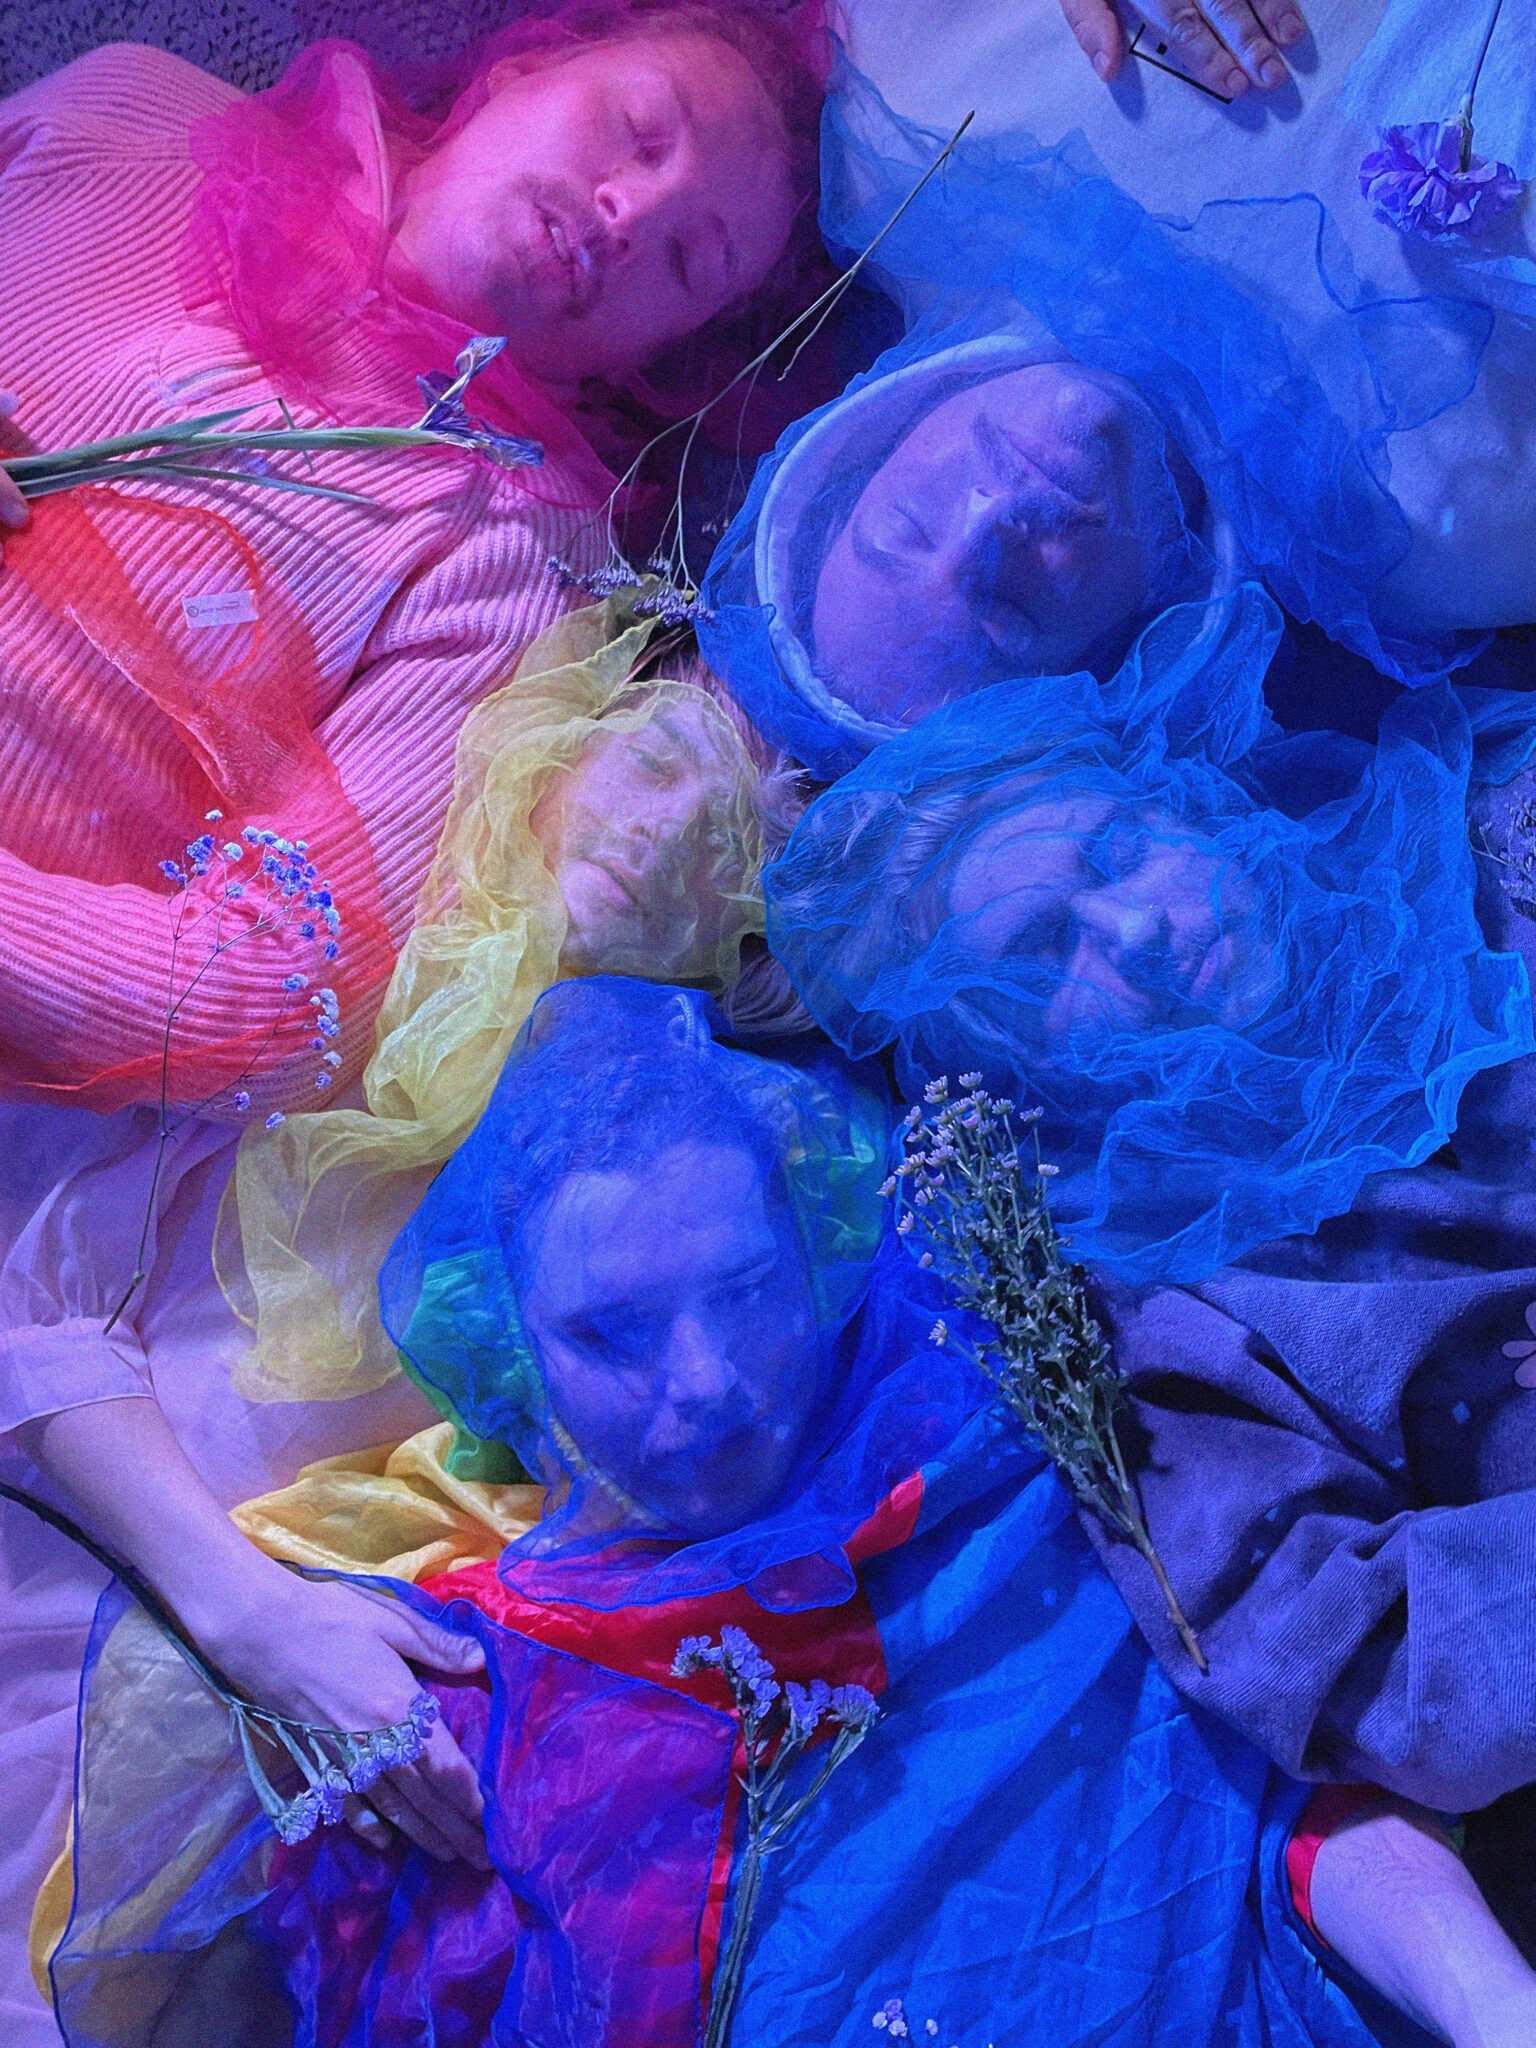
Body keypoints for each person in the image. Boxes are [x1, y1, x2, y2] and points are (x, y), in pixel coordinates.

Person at [32, 978, 1536, 2047]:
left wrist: (1496, 2005)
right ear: (512, 1344)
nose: (707, 1383)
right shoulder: (449, 1687)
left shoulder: (1027, 1445)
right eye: (612, 1334)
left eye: (747, 1290)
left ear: (814, 1251)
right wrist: (251, 1619)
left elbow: (1287, 1798)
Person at [0, 599, 795, 2044]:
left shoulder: (664, 1173)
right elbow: (30, 1296)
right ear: (556, 733)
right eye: (655, 761)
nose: (668, 835)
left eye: (733, 841)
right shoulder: (314, 965)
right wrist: (252, 1615)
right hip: (82, 1572)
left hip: (265, 1730)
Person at [0, 0, 825, 1111]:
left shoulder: (517, 565)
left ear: (653, 357)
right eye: (638, 130)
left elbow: (272, 999)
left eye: (686, 260)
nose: (628, 212)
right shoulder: (132, 119)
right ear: (520, 71)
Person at [698, 44, 1535, 779]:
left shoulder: (917, 113)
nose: (990, 524)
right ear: (1117, 653)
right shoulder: (1456, 533)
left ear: (873, 441)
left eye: (909, 523)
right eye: (1010, 615)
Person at [759, 584, 1536, 1283]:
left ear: (1184, 805)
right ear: (1015, 1051)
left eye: (1118, 852)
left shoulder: (1500, 823)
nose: (1133, 931)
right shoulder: (1235, 1280)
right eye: (1041, 952)